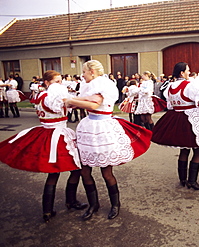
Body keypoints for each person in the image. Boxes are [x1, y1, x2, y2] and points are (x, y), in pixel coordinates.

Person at [64, 60, 152, 220]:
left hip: (102, 128)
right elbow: (87, 102)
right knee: (85, 170)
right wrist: (73, 103)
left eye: (84, 72)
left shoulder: (102, 84)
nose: (82, 75)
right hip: (88, 128)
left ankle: (115, 204)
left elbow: (95, 104)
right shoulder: (89, 86)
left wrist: (71, 101)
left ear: (92, 71)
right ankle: (93, 204)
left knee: (106, 172)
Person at [0, 70, 87, 222]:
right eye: (56, 81)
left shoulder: (40, 96)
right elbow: (62, 107)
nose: (60, 84)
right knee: (75, 169)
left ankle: (48, 210)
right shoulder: (53, 98)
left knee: (55, 172)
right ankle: (70, 201)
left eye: (61, 81)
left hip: (46, 133)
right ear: (47, 83)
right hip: (58, 134)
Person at [152, 62, 199, 190]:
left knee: (184, 149)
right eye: (188, 70)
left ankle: (183, 179)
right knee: (198, 149)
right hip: (192, 117)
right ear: (182, 73)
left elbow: (170, 105)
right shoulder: (189, 85)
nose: (189, 72)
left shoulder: (170, 86)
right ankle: (192, 181)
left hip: (177, 117)